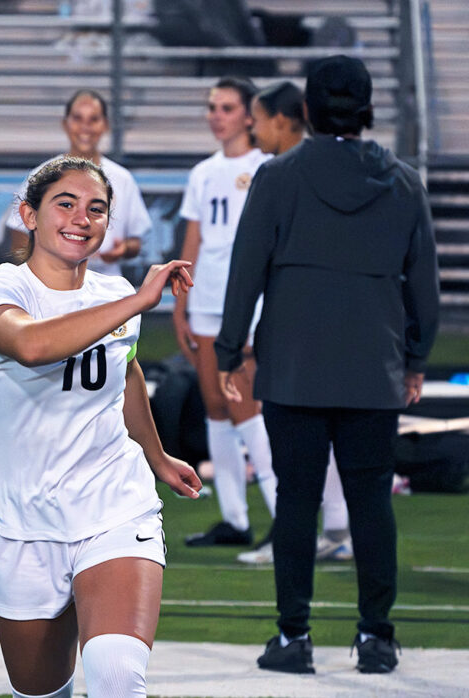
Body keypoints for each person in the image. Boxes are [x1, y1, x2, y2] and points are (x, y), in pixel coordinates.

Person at [216, 55, 439, 675]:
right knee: (371, 502)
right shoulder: (404, 181)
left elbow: (245, 272)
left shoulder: (278, 177)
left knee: (296, 501)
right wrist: (416, 359)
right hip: (373, 367)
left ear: (307, 110)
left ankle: (293, 638)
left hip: (293, 366)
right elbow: (424, 286)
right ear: (367, 108)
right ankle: (376, 638)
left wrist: (229, 350)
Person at [0, 156, 201, 697]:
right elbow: (32, 345)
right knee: (41, 691)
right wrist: (139, 300)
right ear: (29, 214)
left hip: (114, 504)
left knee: (117, 679)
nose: (80, 217)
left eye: (96, 208)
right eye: (64, 203)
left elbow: (128, 371)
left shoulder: (115, 295)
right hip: (24, 519)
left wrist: (157, 457)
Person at [238, 80, 353, 565]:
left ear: (282, 120)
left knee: (293, 436)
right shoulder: (333, 170)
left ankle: (302, 535)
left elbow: (261, 261)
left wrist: (240, 335)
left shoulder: (278, 175)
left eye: (258, 118)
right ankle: (336, 528)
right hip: (333, 321)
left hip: (294, 326)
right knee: (325, 432)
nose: (253, 126)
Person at [173, 76, 276, 548]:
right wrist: (181, 306)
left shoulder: (268, 167)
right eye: (212, 106)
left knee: (246, 407)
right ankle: (235, 520)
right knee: (216, 407)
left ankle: (284, 518)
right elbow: (192, 243)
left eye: (227, 107)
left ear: (250, 115)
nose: (217, 115)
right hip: (208, 302)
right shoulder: (203, 173)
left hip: (248, 304)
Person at [6, 89, 150, 276]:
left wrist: (122, 250)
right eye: (78, 119)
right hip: (53, 290)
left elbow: (135, 242)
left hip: (107, 290)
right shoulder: (42, 175)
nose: (85, 127)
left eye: (93, 119)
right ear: (65, 124)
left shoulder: (123, 179)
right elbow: (19, 237)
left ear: (105, 125)